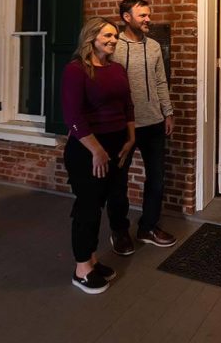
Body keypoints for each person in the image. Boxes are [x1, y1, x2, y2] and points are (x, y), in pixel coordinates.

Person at [61, 17, 136, 294]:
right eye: (107, 35)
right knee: (88, 206)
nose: (113, 40)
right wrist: (97, 150)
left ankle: (92, 260)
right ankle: (81, 268)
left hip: (118, 145)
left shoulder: (117, 69)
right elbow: (73, 116)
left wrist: (131, 137)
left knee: (108, 199)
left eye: (115, 36)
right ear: (91, 37)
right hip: (88, 148)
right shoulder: (76, 70)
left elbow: (128, 105)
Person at [109, 0, 177, 254]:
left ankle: (147, 227)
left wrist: (167, 113)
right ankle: (119, 230)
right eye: (142, 16)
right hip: (123, 125)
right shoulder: (113, 45)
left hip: (154, 122)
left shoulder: (155, 46)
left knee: (157, 179)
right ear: (127, 17)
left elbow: (161, 82)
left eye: (149, 15)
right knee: (118, 181)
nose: (148, 19)